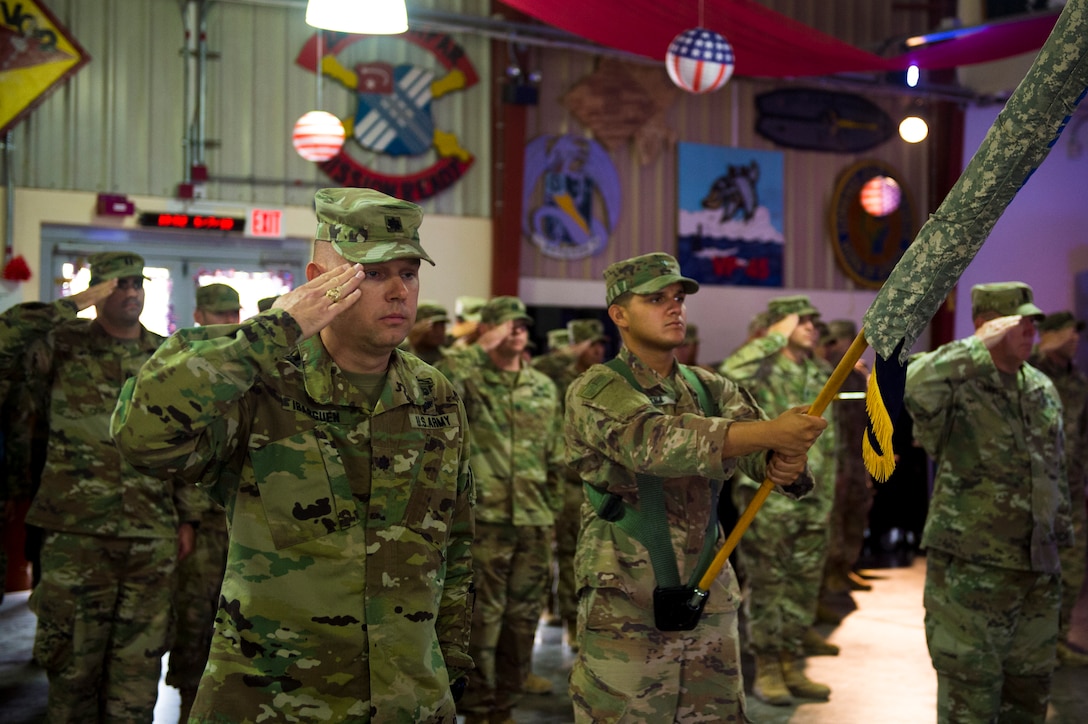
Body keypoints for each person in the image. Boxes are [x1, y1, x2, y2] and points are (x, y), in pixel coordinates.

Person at [111, 188, 476, 722]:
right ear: (317, 279)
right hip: (271, 701)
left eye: (409, 272)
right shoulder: (262, 384)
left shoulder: (434, 396)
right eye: (373, 273)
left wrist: (452, 668)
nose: (399, 290)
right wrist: (272, 332)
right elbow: (141, 433)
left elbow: (457, 543)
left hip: (407, 700)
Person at [565, 252, 827, 722]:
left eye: (679, 298)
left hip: (708, 584)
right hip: (626, 592)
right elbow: (655, 443)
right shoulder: (597, 388)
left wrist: (781, 461)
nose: (674, 308)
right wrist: (771, 433)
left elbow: (754, 452)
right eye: (656, 298)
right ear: (619, 314)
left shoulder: (710, 388)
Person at [0, 251, 204, 722]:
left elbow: (186, 436)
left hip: (150, 535)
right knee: (73, 671)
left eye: (137, 283)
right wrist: (73, 304)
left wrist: (188, 516)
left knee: (138, 673)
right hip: (76, 535)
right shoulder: (62, 346)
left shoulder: (162, 354)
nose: (130, 292)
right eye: (118, 284)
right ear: (98, 290)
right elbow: (6, 339)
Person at [905, 281, 1070, 723]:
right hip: (973, 572)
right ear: (985, 326)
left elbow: (1056, 473)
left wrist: (1060, 549)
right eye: (1019, 321)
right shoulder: (956, 383)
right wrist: (975, 347)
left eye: (1034, 321)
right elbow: (912, 384)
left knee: (1029, 697)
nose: (1031, 329)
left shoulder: (1040, 387)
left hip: (1037, 571)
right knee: (970, 699)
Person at [436, 296, 564, 723]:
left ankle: (506, 706)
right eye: (508, 323)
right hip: (485, 521)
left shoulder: (543, 386)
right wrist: (478, 346)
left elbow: (555, 456)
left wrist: (556, 510)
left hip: (533, 521)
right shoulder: (470, 377)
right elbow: (441, 379)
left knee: (522, 622)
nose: (518, 329)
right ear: (489, 329)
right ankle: (475, 708)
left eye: (523, 324)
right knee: (479, 623)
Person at [719, 295, 838, 705]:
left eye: (811, 320)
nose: (810, 326)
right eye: (800, 320)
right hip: (769, 497)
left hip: (814, 499)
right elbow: (729, 373)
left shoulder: (821, 371)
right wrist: (772, 338)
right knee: (770, 584)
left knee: (803, 585)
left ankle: (790, 661)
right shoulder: (761, 369)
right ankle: (767, 666)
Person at [166, 282, 243, 721]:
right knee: (194, 619)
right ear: (200, 316)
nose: (228, 322)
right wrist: (186, 519)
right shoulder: (185, 366)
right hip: (203, 520)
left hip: (246, 521)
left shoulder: (253, 365)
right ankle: (186, 705)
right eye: (219, 314)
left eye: (233, 314)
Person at [532, 318, 609, 650]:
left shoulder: (605, 382)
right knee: (567, 557)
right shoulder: (557, 378)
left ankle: (589, 618)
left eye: (600, 345)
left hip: (598, 482)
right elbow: (539, 365)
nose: (598, 351)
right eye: (591, 345)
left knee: (594, 557)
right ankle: (570, 622)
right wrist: (572, 353)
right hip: (566, 482)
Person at [1030, 310, 1088, 668]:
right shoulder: (1029, 375)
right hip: (1033, 489)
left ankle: (1058, 639)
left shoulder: (1079, 383)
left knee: (1073, 565)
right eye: (1068, 333)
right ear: (1049, 335)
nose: (1075, 339)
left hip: (1072, 490)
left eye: (1077, 334)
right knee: (1034, 570)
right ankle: (1031, 645)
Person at [819, 320, 875, 597]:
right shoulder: (823, 373)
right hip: (833, 459)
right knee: (835, 516)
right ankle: (830, 571)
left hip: (856, 455)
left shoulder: (857, 374)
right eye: (841, 341)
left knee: (857, 510)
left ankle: (846, 566)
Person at [406, 300, 451, 364]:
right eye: (433, 325)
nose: (439, 330)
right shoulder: (397, 355)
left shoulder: (449, 358)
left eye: (442, 325)